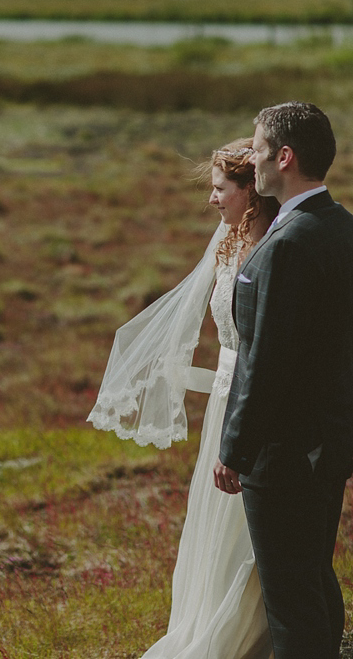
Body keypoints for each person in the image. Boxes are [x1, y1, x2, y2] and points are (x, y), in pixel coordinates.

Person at [87, 138, 278, 659]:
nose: (212, 200)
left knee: (250, 534)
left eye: (220, 189)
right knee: (214, 527)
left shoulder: (276, 248)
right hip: (224, 404)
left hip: (254, 402)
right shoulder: (228, 242)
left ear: (250, 191)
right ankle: (207, 626)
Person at [215, 101, 353, 659]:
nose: (253, 157)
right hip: (330, 444)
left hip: (285, 452)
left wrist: (235, 448)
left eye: (259, 148)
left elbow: (266, 359)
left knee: (291, 599)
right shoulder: (342, 227)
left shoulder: (287, 245)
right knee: (315, 579)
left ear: (285, 157)